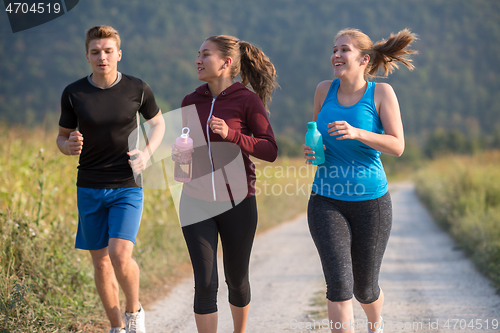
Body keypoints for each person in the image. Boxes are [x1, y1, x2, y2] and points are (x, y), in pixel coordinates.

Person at [302, 28, 417, 333]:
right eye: (334, 49)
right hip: (325, 199)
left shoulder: (380, 93)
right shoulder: (323, 90)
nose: (336, 55)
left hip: (371, 203)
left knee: (364, 289)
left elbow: (397, 145)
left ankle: (375, 322)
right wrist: (313, 151)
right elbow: (316, 135)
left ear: (364, 59)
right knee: (340, 284)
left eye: (344, 50)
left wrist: (358, 132)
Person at [56, 25, 165, 333]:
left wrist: (146, 154)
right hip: (89, 186)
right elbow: (61, 139)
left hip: (127, 185)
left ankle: (135, 312)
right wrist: (68, 146)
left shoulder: (138, 88)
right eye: (95, 52)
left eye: (107, 51)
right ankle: (116, 327)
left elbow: (158, 124)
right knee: (101, 263)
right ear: (87, 56)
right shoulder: (74, 93)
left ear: (119, 53)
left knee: (119, 255)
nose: (102, 57)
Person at [177, 35, 278, 333]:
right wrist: (180, 157)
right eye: (198, 54)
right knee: (205, 282)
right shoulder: (190, 101)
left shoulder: (247, 100)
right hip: (195, 201)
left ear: (226, 63)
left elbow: (269, 150)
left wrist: (233, 135)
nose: (198, 59)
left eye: (205, 54)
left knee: (236, 279)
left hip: (238, 202)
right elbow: (184, 165)